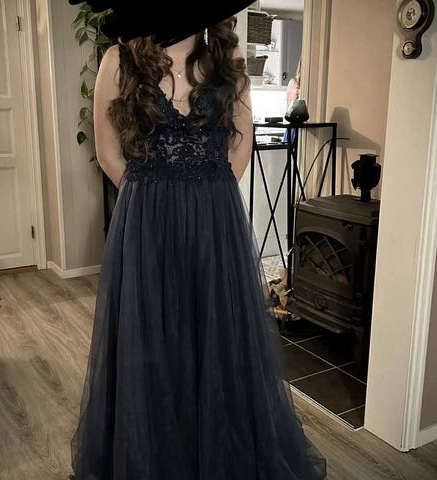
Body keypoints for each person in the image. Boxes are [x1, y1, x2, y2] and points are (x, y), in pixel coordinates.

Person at [69, 16, 326, 480]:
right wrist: (155, 199)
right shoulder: (118, 61)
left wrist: (206, 199)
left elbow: (241, 143)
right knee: (152, 339)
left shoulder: (228, 61)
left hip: (215, 221)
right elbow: (108, 153)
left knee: (218, 338)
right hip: (147, 222)